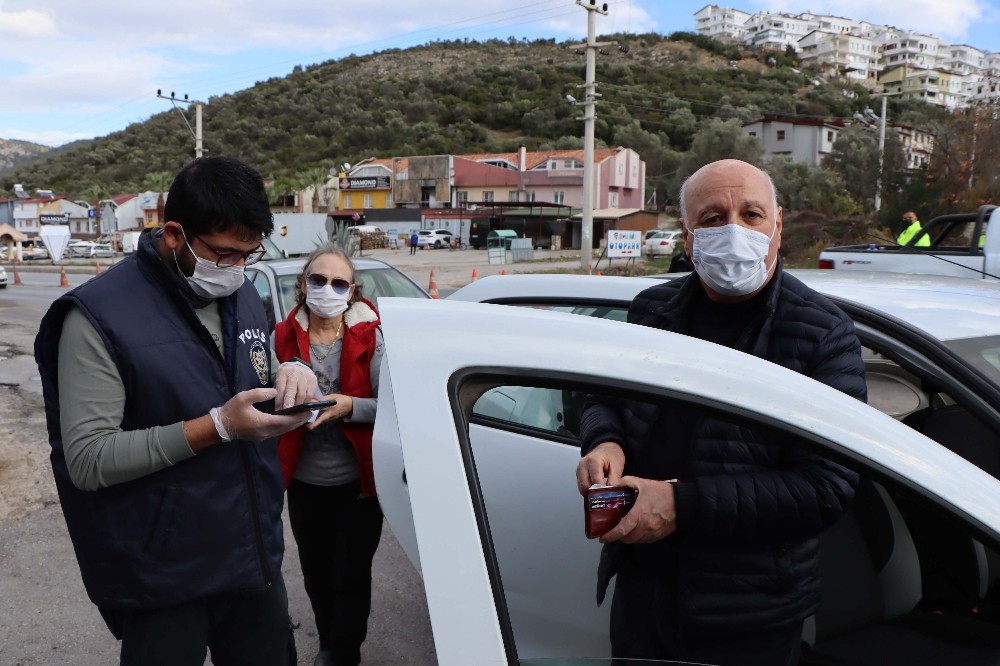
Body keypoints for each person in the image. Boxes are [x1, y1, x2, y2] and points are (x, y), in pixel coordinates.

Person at [576, 159, 866, 666]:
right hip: (644, 596)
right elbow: (602, 396)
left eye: (751, 214)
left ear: (778, 225)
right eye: (712, 219)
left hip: (749, 616)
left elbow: (827, 487)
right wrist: (604, 440)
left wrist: (679, 505)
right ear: (687, 239)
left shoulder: (823, 334)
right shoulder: (652, 311)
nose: (734, 229)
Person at [34, 156, 319, 666]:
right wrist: (217, 427)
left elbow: (251, 366)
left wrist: (288, 369)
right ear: (173, 233)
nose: (236, 270)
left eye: (249, 256)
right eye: (224, 254)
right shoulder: (99, 315)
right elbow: (88, 459)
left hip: (251, 557)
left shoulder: (242, 293)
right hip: (163, 575)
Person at [273, 245, 384, 666]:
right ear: (303, 286)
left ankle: (344, 653)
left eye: (339, 283)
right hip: (303, 484)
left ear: (352, 292)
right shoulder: (281, 337)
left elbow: (391, 406)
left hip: (358, 486)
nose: (327, 289)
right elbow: (264, 397)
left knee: (351, 578)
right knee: (316, 575)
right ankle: (328, 644)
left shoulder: (372, 337)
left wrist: (348, 406)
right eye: (318, 280)